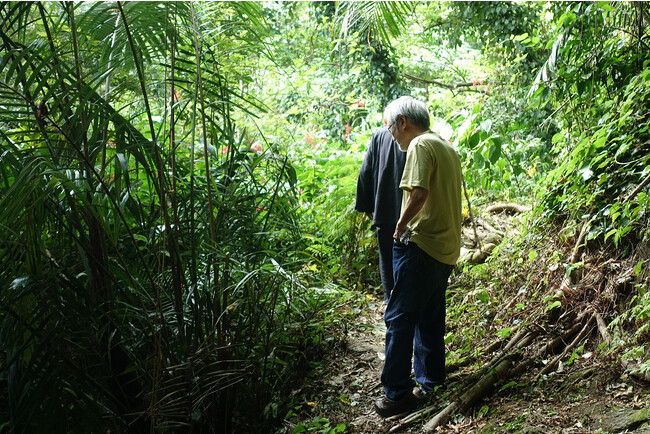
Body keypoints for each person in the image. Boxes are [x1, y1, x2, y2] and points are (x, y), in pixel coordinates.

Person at [374, 96, 462, 418]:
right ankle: (431, 381)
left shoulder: (420, 146)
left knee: (398, 318)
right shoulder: (446, 147)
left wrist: (399, 226)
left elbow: (420, 193)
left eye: (390, 126)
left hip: (422, 246)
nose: (390, 134)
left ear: (402, 122)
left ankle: (396, 395)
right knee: (429, 317)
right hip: (446, 249)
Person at [355, 127, 406, 303]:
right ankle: (403, 305)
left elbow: (365, 171)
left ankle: (389, 300)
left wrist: (366, 203)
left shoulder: (379, 135)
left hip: (384, 208)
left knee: (387, 257)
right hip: (410, 209)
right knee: (408, 258)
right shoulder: (416, 135)